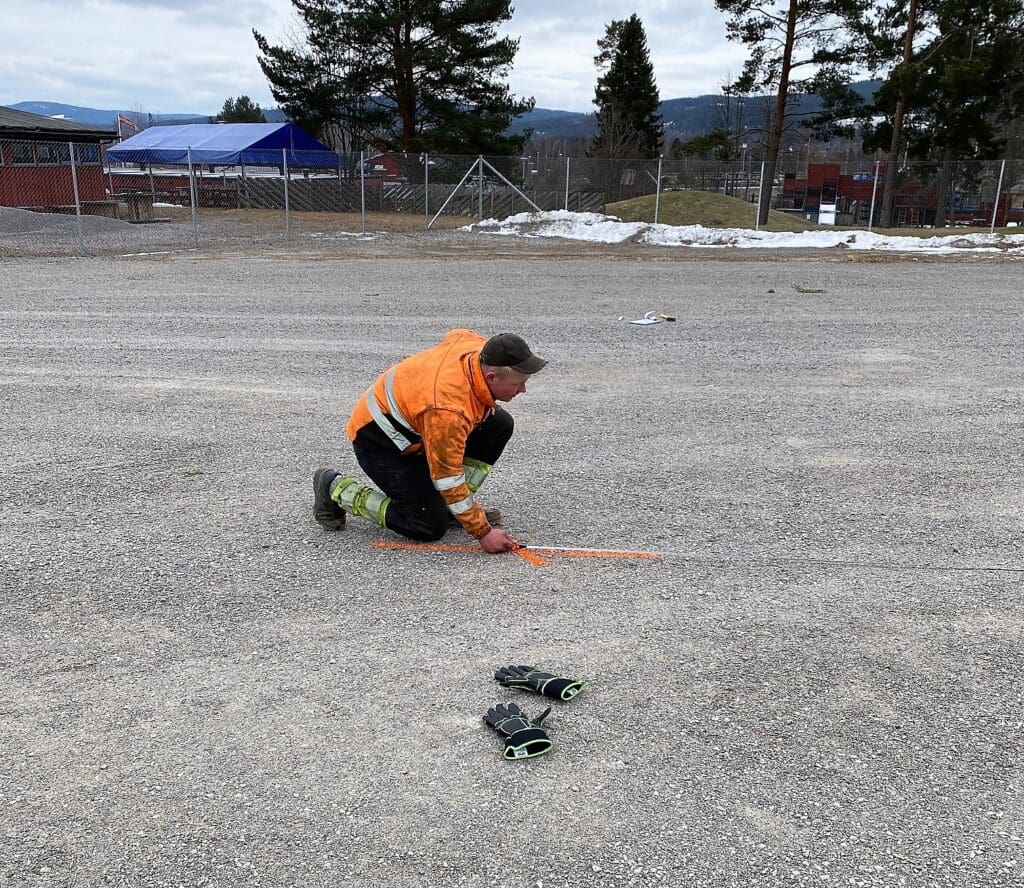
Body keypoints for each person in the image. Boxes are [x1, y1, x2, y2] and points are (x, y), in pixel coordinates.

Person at [313, 329, 546, 554]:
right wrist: (483, 531)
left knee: (499, 424)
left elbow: (456, 334)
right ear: (491, 376)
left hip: (416, 426)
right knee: (427, 526)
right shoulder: (447, 411)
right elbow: (447, 476)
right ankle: (335, 488)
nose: (523, 389)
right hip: (379, 443)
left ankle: (452, 508)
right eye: (519, 383)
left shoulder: (476, 349)